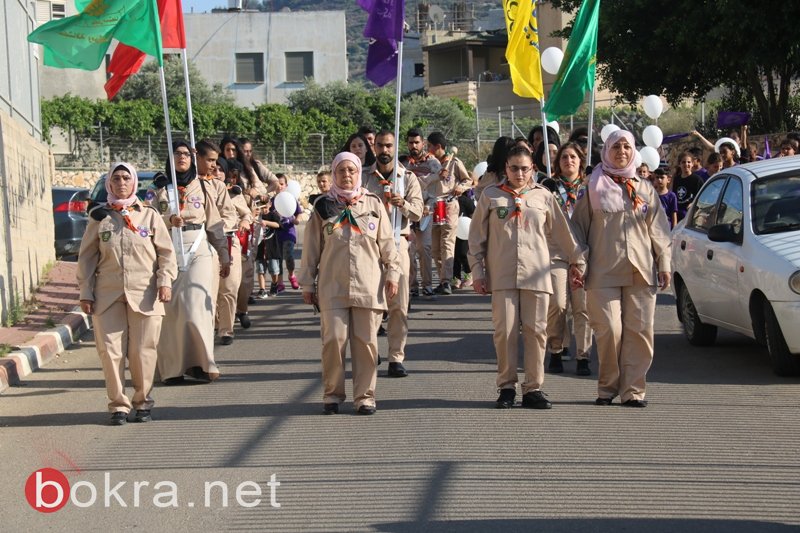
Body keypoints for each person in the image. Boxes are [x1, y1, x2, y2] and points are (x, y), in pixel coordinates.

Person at [468, 145, 585, 410]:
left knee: (536, 332)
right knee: (505, 332)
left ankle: (533, 388)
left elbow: (563, 233)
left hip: (537, 273)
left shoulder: (543, 196)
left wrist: (577, 261)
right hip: (502, 275)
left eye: (524, 168)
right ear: (506, 169)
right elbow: (476, 239)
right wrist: (478, 272)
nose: (519, 173)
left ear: (532, 168)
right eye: (514, 168)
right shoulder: (491, 196)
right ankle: (506, 387)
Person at [571, 129, 672, 408]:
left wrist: (663, 263)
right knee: (609, 329)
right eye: (616, 147)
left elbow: (660, 230)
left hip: (640, 269)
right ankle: (607, 387)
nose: (622, 152)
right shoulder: (592, 186)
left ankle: (633, 391)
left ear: (634, 151)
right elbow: (577, 228)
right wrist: (578, 262)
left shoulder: (644, 188)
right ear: (606, 151)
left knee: (640, 331)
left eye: (627, 147)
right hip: (602, 270)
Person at [299, 152, 401, 415]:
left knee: (366, 342)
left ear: (359, 173)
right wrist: (307, 283)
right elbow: (311, 248)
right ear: (334, 174)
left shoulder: (373, 203)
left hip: (368, 285)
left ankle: (365, 397)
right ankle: (332, 394)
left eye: (351, 171)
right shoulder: (323, 206)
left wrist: (393, 273)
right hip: (332, 286)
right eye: (341, 171)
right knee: (334, 339)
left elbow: (388, 244)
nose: (346, 175)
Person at [78, 162, 177, 425]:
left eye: (126, 178)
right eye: (116, 178)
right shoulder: (100, 217)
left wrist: (165, 281)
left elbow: (166, 254)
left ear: (134, 183)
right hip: (108, 293)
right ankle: (118, 405)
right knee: (110, 351)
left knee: (143, 350)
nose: (121, 183)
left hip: (145, 292)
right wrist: (86, 292)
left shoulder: (150, 215)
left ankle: (143, 402)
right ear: (109, 184)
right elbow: (87, 258)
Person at [149, 140, 231, 384]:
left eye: (186, 153)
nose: (182, 157)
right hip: (169, 249)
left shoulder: (203, 187)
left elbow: (214, 224)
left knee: (196, 307)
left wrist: (224, 254)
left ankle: (201, 364)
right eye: (177, 153)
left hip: (199, 248)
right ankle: (173, 368)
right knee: (172, 311)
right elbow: (147, 220)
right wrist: (167, 219)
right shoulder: (159, 189)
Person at [362, 130, 424, 377]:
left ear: (395, 147)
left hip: (398, 243)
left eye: (389, 145)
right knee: (370, 302)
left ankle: (396, 356)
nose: (384, 150)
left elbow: (418, 212)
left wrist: (403, 204)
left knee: (398, 303)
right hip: (369, 245)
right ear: (374, 147)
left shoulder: (406, 178)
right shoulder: (365, 177)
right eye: (380, 145)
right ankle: (370, 349)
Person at [543, 142, 593, 376]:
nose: (568, 161)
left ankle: (583, 355)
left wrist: (596, 183)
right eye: (564, 157)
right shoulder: (549, 188)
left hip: (583, 252)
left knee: (582, 307)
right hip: (557, 253)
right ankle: (556, 349)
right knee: (558, 304)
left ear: (581, 160)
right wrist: (545, 190)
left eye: (573, 157)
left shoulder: (590, 186)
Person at [424, 131, 472, 295]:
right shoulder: (429, 164)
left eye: (429, 146)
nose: (427, 149)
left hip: (450, 204)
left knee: (447, 244)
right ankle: (443, 278)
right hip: (433, 205)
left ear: (438, 147)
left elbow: (468, 180)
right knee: (435, 248)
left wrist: (461, 187)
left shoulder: (454, 163)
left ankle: (447, 280)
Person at [216, 158, 253, 345]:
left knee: (230, 286)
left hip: (230, 241)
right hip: (206, 243)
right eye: (213, 168)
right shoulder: (198, 191)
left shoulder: (233, 194)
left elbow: (247, 213)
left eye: (220, 169)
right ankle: (214, 323)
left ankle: (226, 330)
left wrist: (245, 221)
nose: (216, 172)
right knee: (210, 288)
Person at [404, 128, 441, 297]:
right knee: (409, 249)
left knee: (425, 248)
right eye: (411, 142)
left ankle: (427, 285)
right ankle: (412, 285)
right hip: (408, 211)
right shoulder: (403, 164)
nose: (414, 145)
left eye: (417, 142)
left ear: (423, 143)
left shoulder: (433, 164)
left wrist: (429, 206)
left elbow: (436, 190)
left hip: (426, 211)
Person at [273, 173, 302, 291]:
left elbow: (299, 213)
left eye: (282, 184)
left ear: (286, 185)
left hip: (289, 232)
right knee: (278, 258)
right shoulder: (271, 201)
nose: (279, 186)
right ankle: (280, 282)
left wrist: (297, 220)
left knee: (288, 255)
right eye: (277, 184)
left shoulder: (291, 199)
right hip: (275, 234)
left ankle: (291, 275)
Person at [672, 151, 705, 222]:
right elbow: (674, 196)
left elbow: (702, 198)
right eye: (683, 162)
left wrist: (693, 204)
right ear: (679, 164)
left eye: (689, 162)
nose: (686, 164)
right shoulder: (676, 179)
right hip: (677, 214)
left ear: (692, 164)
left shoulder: (697, 180)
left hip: (690, 215)